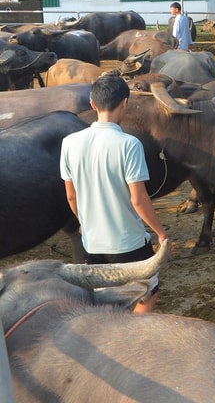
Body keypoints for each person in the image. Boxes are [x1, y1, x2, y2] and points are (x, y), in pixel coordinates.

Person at [60, 74, 168, 313]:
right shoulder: (129, 144)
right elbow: (138, 199)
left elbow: (71, 196)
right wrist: (160, 233)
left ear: (92, 104)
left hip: (93, 242)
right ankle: (132, 337)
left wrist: (84, 222)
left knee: (106, 301)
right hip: (129, 241)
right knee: (147, 295)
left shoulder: (69, 143)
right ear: (125, 104)